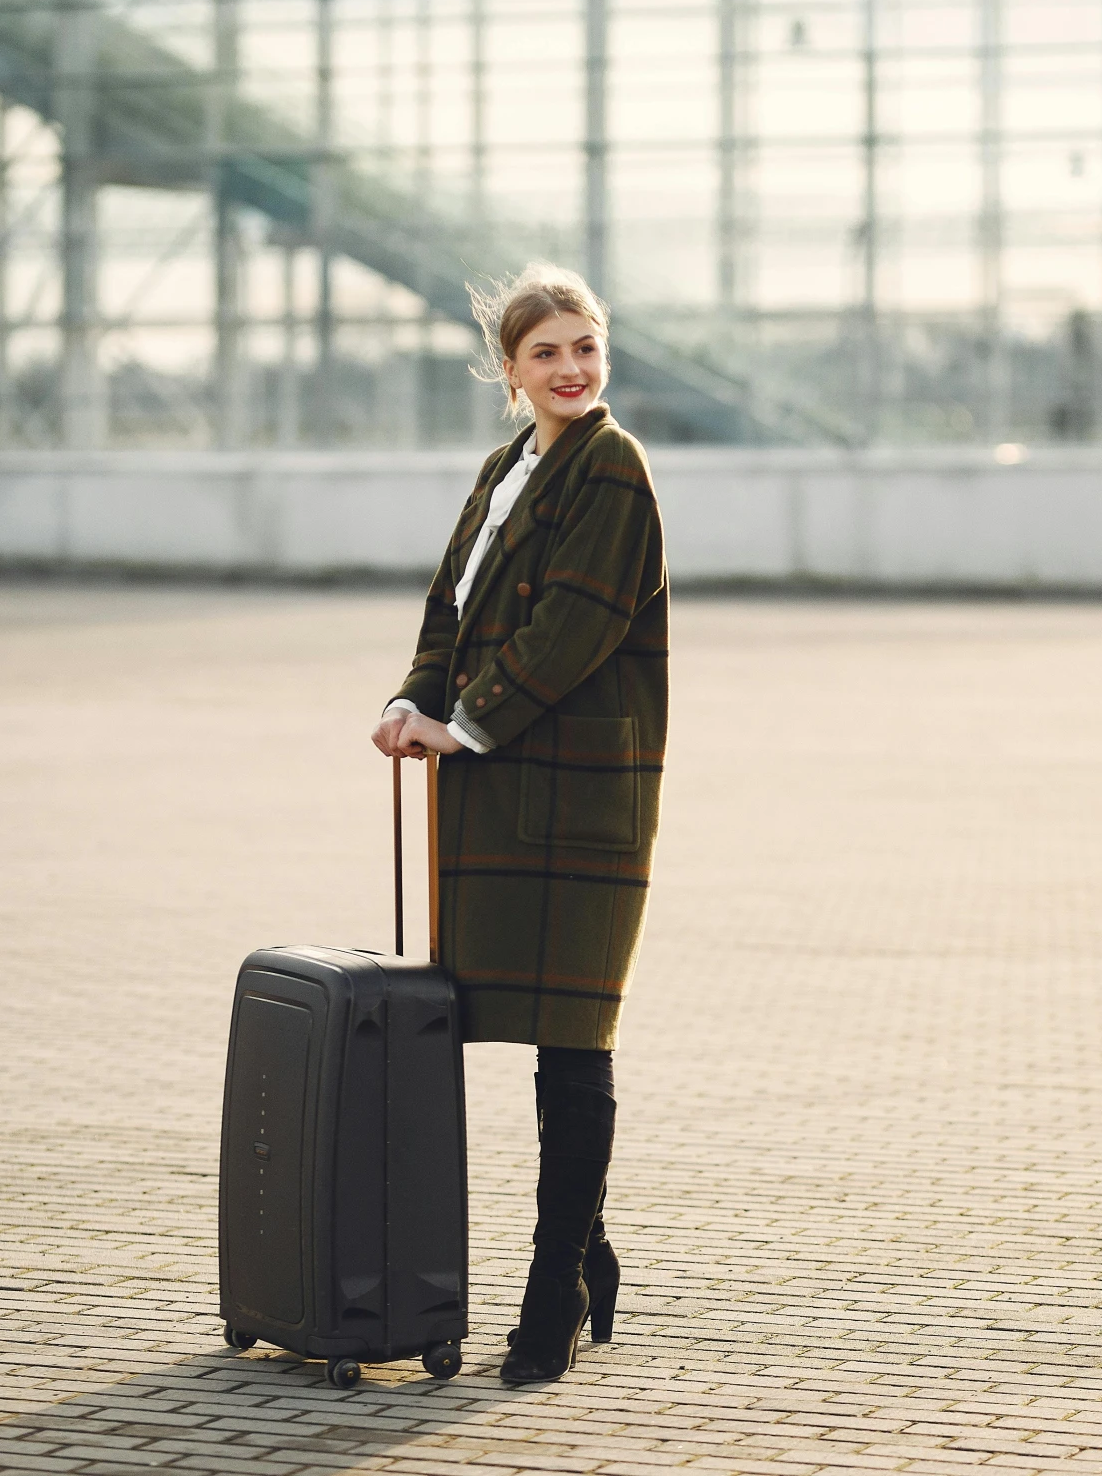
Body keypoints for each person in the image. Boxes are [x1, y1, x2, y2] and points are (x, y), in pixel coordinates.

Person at [370, 262, 667, 1385]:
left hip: (579, 791)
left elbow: (578, 626)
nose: (571, 369)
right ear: (508, 371)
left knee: (573, 1038)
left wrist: (469, 720)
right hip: (498, 784)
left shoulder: (615, 468)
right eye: (546, 353)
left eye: (585, 347)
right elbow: (449, 605)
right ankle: (591, 1255)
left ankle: (553, 1292)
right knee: (507, 1020)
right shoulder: (507, 469)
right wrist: (414, 697)